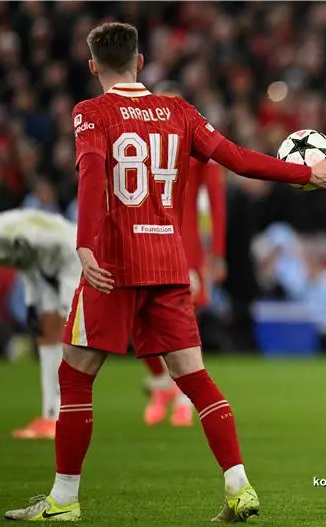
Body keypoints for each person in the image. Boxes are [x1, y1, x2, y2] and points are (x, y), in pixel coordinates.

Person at [5, 21, 326, 524]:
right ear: (140, 61)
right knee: (194, 376)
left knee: (75, 376)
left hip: (114, 266)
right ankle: (238, 487)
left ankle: (63, 499)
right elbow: (239, 160)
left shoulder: (90, 113)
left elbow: (93, 175)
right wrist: (305, 172)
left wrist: (85, 247)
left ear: (93, 64)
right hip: (168, 263)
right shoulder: (180, 111)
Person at [140, 81, 228, 428]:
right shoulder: (142, 141)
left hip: (186, 248)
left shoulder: (196, 140)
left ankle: (182, 398)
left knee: (183, 324)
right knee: (141, 321)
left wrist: (217, 253)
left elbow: (216, 200)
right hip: (145, 242)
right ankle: (164, 386)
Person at [0, 209, 81, 439]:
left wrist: (51, 251)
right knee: (47, 333)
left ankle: (69, 413)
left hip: (69, 255)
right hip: (50, 265)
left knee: (69, 333)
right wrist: (31, 303)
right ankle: (51, 414)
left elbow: (35, 236)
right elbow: (25, 261)